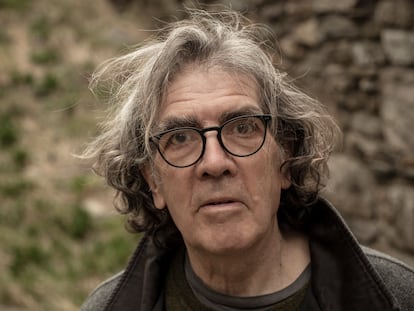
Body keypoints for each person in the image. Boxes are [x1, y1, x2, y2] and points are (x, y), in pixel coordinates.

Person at [80, 8, 414, 311]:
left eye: (242, 128)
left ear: (285, 156)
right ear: (153, 180)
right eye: (179, 137)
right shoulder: (107, 307)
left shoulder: (397, 296)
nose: (214, 162)